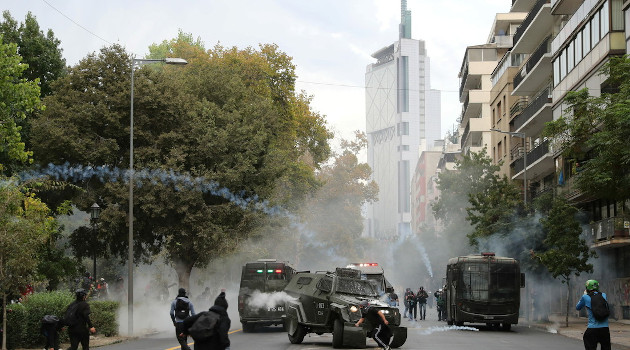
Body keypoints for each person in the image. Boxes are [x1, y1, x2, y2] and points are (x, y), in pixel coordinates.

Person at [576, 279, 611, 350]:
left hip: (592, 329)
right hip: (605, 329)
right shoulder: (604, 295)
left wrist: (584, 295)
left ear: (587, 287)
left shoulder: (585, 297)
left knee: (589, 343)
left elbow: (578, 307)